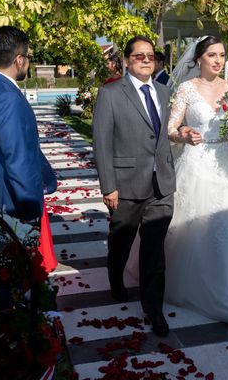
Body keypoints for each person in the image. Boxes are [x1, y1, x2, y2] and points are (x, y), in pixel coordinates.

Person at [165, 36, 228, 331]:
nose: (218, 61)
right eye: (212, 55)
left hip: (225, 165)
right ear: (199, 58)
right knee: (194, 228)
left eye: (222, 55)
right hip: (195, 164)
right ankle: (191, 288)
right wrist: (184, 133)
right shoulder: (186, 89)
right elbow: (171, 129)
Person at [93, 35, 175, 337]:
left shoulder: (165, 92)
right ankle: (115, 275)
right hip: (125, 184)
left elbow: (168, 134)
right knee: (121, 241)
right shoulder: (111, 92)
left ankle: (154, 309)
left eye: (150, 56)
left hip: (161, 184)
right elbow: (101, 143)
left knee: (155, 252)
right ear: (126, 60)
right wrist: (108, 186)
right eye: (138, 55)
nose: (145, 60)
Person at [0, 26, 58, 296]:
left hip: (1, 197)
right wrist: (31, 207)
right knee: (18, 284)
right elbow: (17, 159)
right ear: (19, 60)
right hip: (15, 204)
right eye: (28, 57)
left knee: (9, 279)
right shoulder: (8, 97)